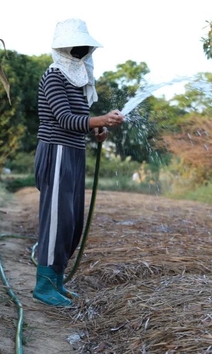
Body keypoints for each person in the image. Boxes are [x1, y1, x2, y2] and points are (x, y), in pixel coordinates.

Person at [33, 18, 124, 306]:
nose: (81, 51)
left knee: (71, 222)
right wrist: (100, 119)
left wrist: (97, 128)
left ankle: (56, 281)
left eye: (84, 48)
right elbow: (65, 119)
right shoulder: (54, 76)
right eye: (76, 47)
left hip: (73, 153)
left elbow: (81, 121)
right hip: (56, 152)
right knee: (57, 221)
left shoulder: (80, 79)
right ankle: (43, 286)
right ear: (64, 48)